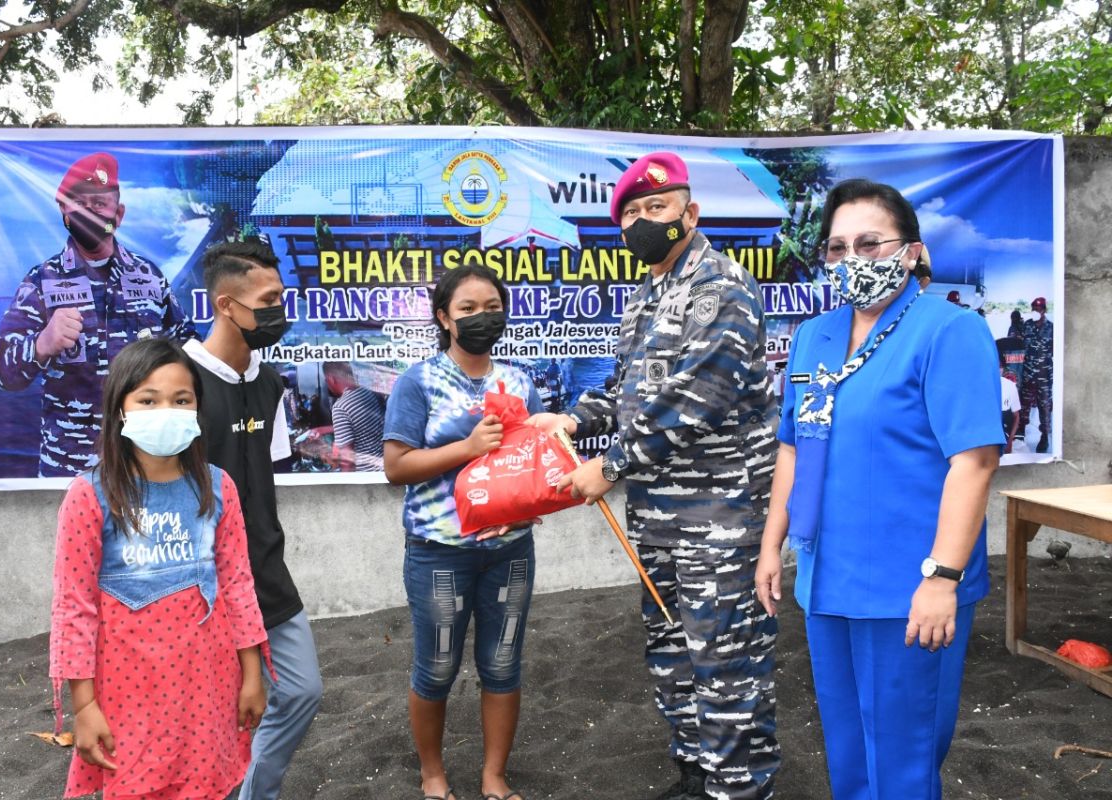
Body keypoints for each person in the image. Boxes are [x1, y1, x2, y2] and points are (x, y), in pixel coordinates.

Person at [529, 152, 779, 800]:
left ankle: (740, 790)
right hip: (661, 520)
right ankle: (698, 777)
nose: (643, 221)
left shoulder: (722, 287)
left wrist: (606, 468)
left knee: (725, 665)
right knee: (672, 654)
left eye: (656, 208)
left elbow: (695, 399)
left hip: (720, 520)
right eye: (631, 213)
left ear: (689, 214)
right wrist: (573, 420)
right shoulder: (647, 296)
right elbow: (625, 392)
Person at [754, 179, 1004, 800]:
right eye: (837, 248)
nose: (852, 260)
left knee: (902, 760)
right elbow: (793, 445)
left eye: (870, 243)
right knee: (848, 753)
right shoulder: (815, 336)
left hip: (909, 586)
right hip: (826, 577)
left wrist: (942, 578)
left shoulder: (949, 331)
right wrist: (771, 546)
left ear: (912, 251)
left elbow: (973, 463)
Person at [49, 337, 268, 799]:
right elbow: (74, 609)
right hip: (127, 691)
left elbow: (237, 585)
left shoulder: (217, 487)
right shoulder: (88, 497)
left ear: (196, 409)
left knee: (209, 783)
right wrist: (84, 705)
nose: (165, 409)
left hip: (208, 684)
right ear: (120, 408)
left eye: (180, 399)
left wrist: (252, 676)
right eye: (148, 399)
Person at [383, 263, 543, 800]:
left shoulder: (519, 381)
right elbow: (396, 467)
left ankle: (493, 775)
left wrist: (543, 490)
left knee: (502, 663)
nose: (481, 317)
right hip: (439, 552)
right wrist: (467, 449)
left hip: (510, 549)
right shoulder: (419, 381)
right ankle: (433, 774)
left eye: (492, 307)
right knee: (436, 667)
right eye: (468, 309)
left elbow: (535, 457)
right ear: (444, 319)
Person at [182, 236, 323, 800]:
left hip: (264, 573)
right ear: (224, 304)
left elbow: (268, 476)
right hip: (197, 585)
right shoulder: (179, 381)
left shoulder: (268, 383)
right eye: (267, 300)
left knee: (302, 689)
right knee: (214, 712)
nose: (278, 312)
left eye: (281, 298)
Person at [0, 152, 197, 477]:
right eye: (80, 203)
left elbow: (189, 349)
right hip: (69, 473)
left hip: (145, 467)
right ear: (64, 211)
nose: (90, 211)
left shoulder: (149, 276)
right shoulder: (41, 282)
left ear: (119, 213)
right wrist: (42, 344)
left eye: (100, 203)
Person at [324, 361, 386, 471]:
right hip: (383, 468)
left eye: (326, 380)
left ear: (331, 378)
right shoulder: (369, 392)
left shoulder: (341, 407)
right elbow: (362, 427)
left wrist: (346, 487)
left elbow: (347, 461)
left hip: (365, 475)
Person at [1016, 296, 1054, 453]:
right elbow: (1020, 346)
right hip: (1027, 375)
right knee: (1023, 407)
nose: (1035, 312)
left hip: (1044, 377)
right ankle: (1019, 437)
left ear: (1044, 310)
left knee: (1044, 409)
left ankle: (1044, 438)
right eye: (1033, 309)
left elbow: (1055, 350)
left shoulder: (1051, 328)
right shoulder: (1027, 326)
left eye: (1038, 309)